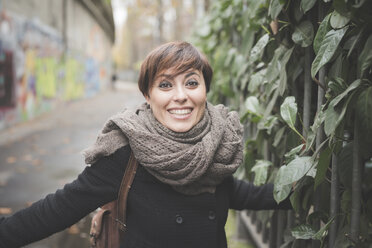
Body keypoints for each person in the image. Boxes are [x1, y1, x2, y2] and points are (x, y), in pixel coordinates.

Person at [0, 41, 291, 248]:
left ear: (205, 90)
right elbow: (60, 207)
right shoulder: (126, 150)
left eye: (191, 83)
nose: (180, 96)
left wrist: (299, 192)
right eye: (165, 85)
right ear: (148, 95)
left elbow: (232, 192)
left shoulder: (217, 141)